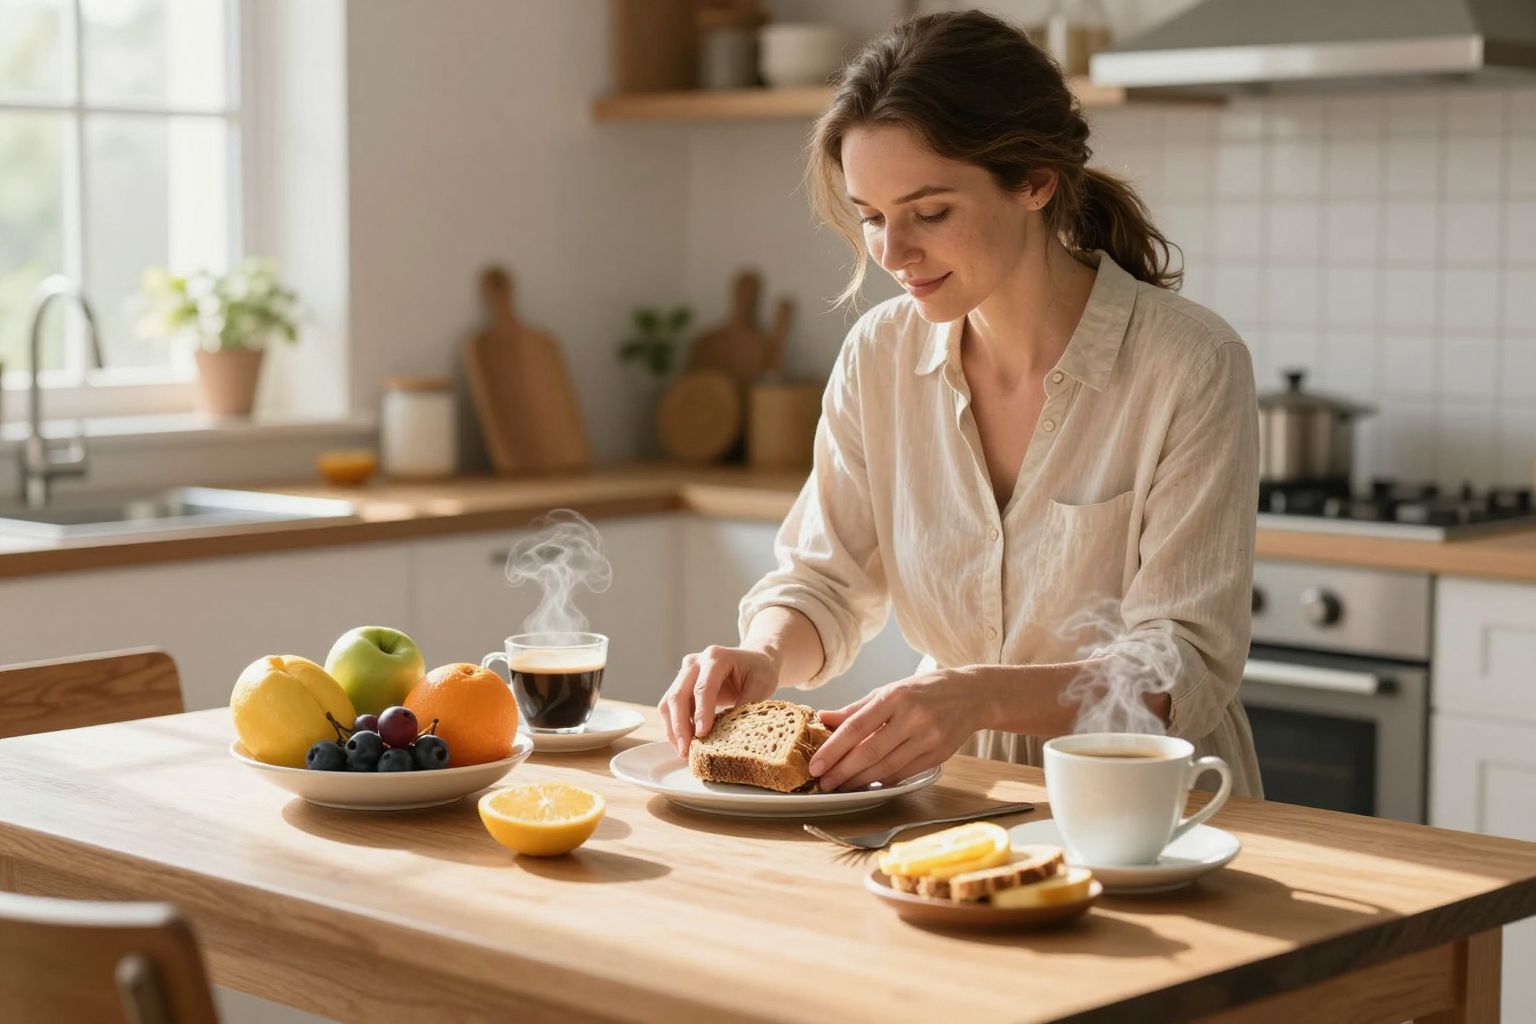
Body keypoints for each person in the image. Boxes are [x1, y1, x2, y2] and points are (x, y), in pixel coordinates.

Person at [658, 9, 1262, 798]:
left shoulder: (1190, 365)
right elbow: (826, 583)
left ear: (1035, 182)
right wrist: (766, 654)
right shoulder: (880, 356)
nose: (891, 254)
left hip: (1150, 802)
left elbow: (1183, 667)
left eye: (930, 213)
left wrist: (976, 694)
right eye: (871, 217)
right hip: (951, 795)